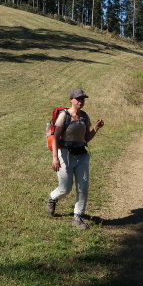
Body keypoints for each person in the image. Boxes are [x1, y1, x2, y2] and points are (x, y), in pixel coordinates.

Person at [46, 89, 105, 230]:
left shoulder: (84, 116)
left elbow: (86, 139)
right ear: (71, 100)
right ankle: (52, 198)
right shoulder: (63, 116)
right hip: (65, 155)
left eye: (83, 99)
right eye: (78, 99)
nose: (81, 101)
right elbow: (55, 138)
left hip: (82, 156)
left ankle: (77, 217)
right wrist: (55, 158)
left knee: (83, 188)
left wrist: (96, 128)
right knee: (65, 188)